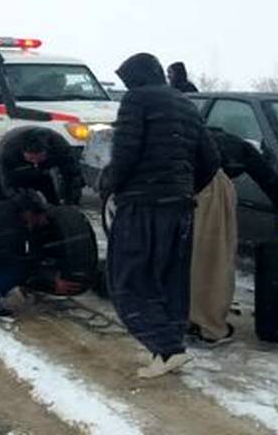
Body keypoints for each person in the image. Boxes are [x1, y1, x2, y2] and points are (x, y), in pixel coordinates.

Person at [100, 52, 220, 379]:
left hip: (142, 206)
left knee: (129, 280)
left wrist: (110, 185)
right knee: (169, 280)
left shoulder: (136, 100)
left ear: (136, 77)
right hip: (179, 208)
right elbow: (211, 159)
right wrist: (183, 188)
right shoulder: (185, 103)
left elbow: (125, 153)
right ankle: (168, 343)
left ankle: (167, 348)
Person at [189, 129, 278, 345]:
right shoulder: (241, 151)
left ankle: (179, 316)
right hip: (207, 185)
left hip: (170, 184)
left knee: (183, 255)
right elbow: (274, 186)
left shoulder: (196, 138)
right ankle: (209, 327)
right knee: (212, 261)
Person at [0, 127, 84, 205]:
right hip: (5, 165)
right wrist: (22, 202)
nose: (35, 162)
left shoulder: (60, 147)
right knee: (4, 203)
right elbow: (7, 186)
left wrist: (71, 201)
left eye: (39, 159)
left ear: (46, 152)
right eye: (31, 158)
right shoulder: (8, 152)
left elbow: (73, 176)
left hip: (44, 168)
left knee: (50, 197)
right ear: (23, 153)